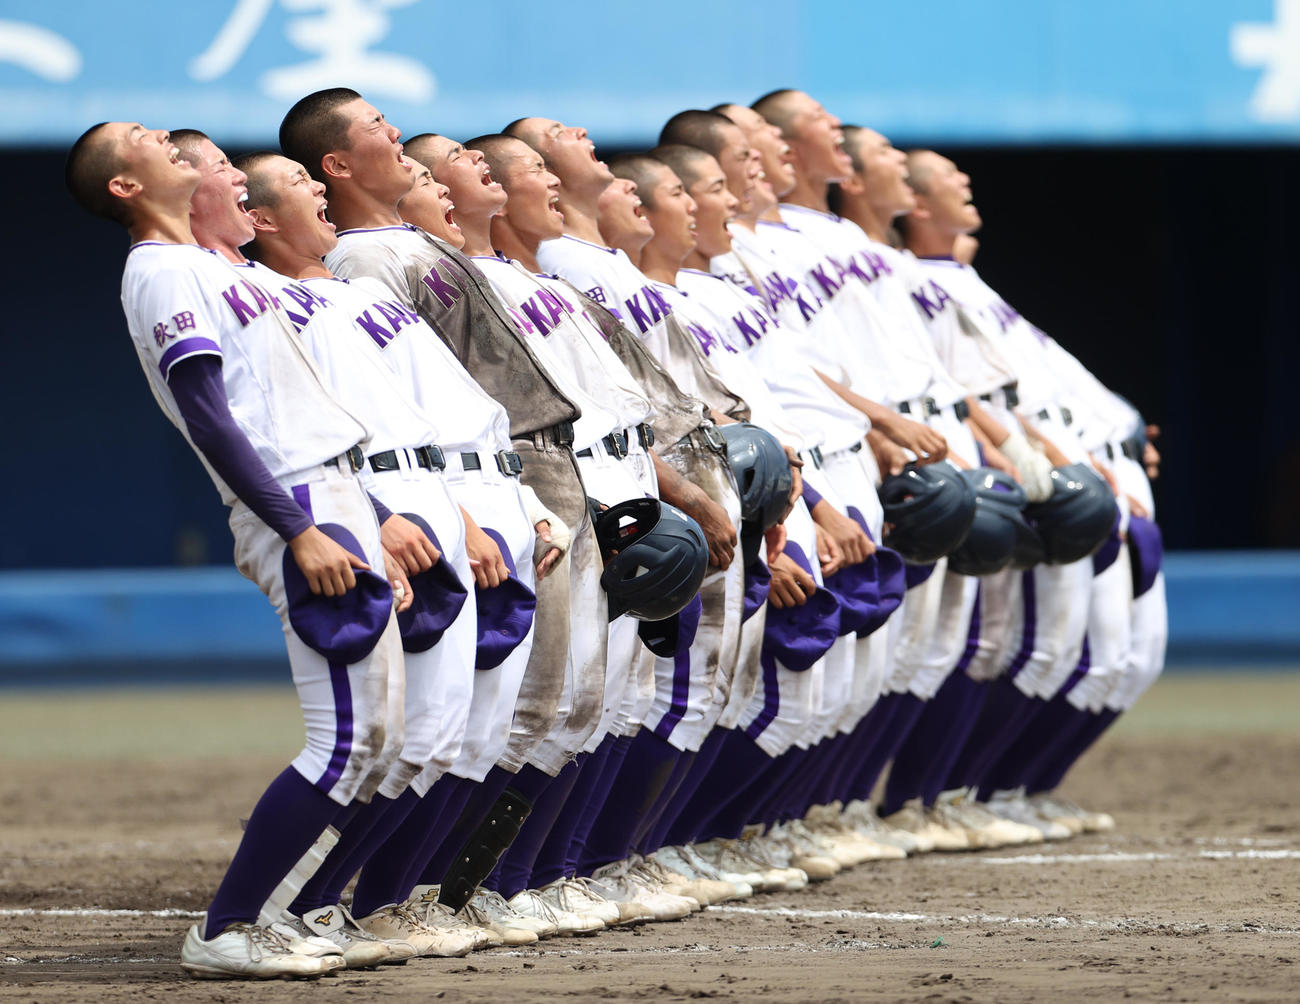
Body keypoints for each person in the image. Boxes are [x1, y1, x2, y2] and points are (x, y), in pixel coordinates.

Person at [65, 121, 400, 979]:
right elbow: (210, 412)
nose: (162, 137)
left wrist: (369, 512)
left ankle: (285, 914)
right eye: (139, 139)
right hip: (294, 502)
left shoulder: (215, 263)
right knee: (346, 739)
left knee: (384, 741)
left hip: (334, 493)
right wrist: (299, 527)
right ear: (125, 188)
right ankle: (228, 926)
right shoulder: (160, 270)